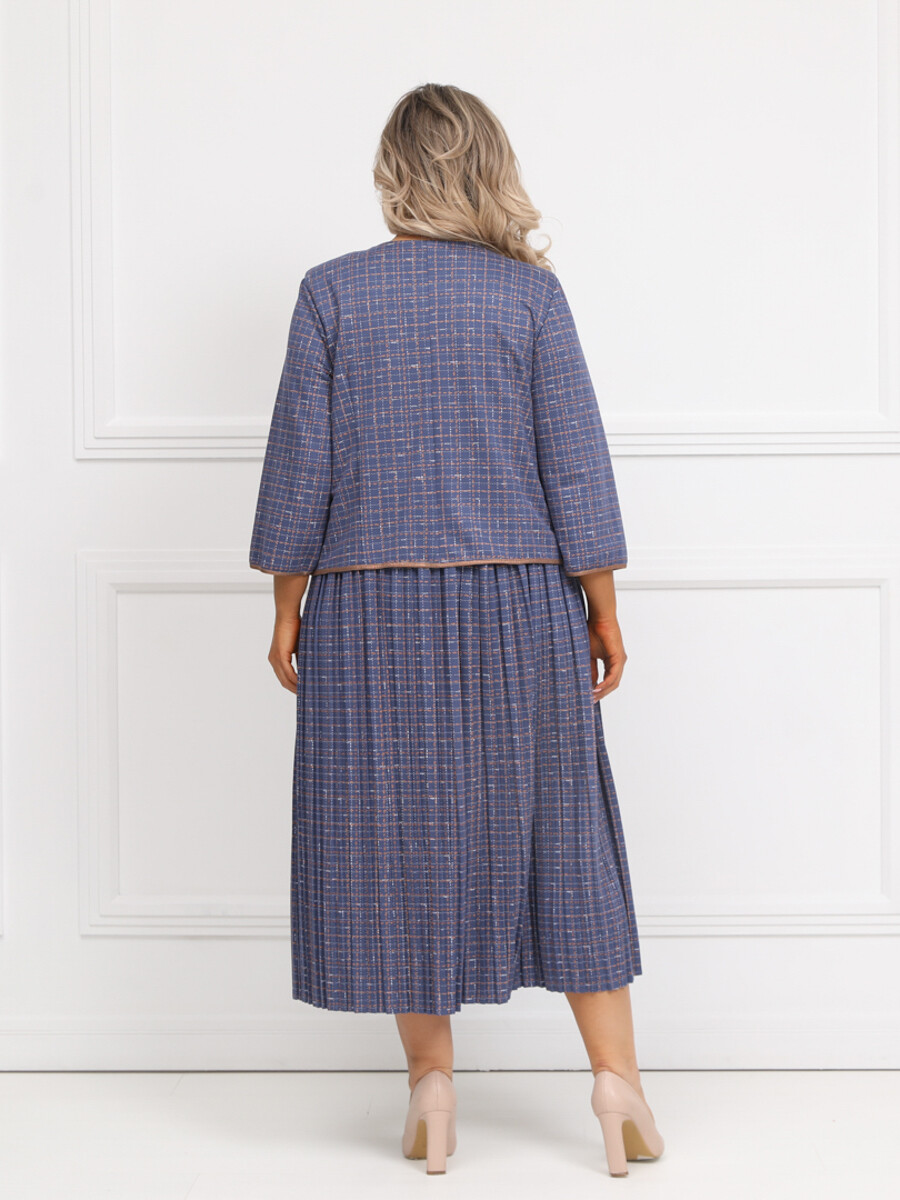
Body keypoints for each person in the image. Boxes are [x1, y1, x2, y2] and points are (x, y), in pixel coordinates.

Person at [248, 82, 664, 1178]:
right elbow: (575, 461)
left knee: (395, 842)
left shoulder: (332, 293)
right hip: (520, 602)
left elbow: (300, 466)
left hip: (367, 608)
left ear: (392, 171)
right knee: (563, 832)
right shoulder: (530, 297)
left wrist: (287, 606)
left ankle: (431, 1091)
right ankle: (617, 1085)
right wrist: (604, 608)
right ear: (491, 168)